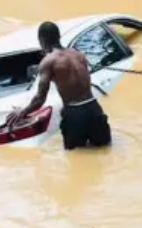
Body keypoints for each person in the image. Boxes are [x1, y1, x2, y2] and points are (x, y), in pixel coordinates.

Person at [8, 21, 111, 150]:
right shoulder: (78, 55)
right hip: (94, 108)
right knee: (104, 150)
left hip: (75, 115)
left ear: (42, 40)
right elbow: (80, 84)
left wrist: (22, 112)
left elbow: (40, 98)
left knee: (75, 159)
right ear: (59, 36)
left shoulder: (48, 61)